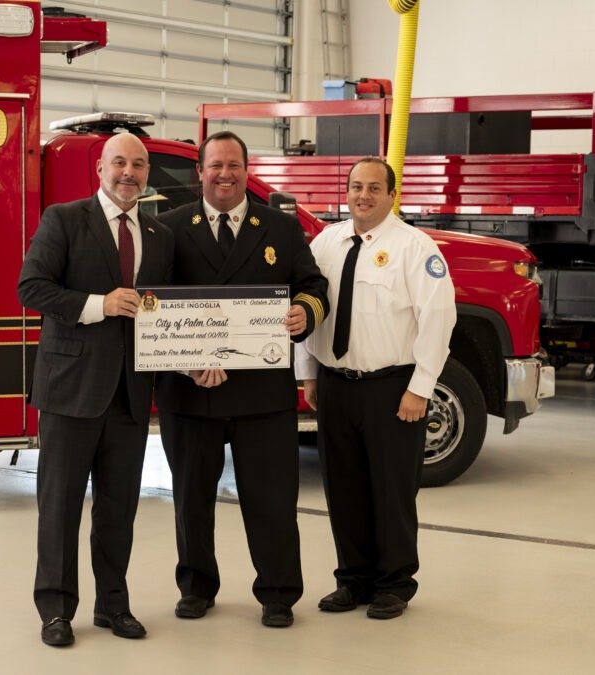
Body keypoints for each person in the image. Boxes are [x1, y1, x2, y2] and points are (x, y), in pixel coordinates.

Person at [155, 131, 329, 628]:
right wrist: (185, 359)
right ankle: (196, 586)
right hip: (190, 389)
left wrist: (304, 311)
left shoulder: (279, 227)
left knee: (272, 500)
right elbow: (156, 304)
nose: (225, 174)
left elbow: (313, 285)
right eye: (215, 166)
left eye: (234, 165)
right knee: (190, 498)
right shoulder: (166, 227)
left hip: (262, 394)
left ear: (246, 171)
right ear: (200, 173)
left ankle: (278, 592)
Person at [18, 133, 174, 647]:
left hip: (130, 395)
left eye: (139, 164)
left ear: (147, 172)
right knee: (59, 507)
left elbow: (170, 313)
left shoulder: (159, 232)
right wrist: (97, 304)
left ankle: (113, 604)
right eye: (119, 163)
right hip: (70, 391)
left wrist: (200, 357)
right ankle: (56, 610)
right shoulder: (64, 219)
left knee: (118, 509)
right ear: (101, 169)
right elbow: (32, 287)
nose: (129, 172)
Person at [295, 157, 456, 620]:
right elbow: (308, 309)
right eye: (355, 186)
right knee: (343, 489)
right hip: (335, 386)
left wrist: (421, 389)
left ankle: (394, 583)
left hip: (393, 390)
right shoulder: (326, 242)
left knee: (391, 490)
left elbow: (438, 321)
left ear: (392, 195)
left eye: (373, 188)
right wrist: (308, 373)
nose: (363, 195)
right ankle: (353, 579)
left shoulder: (414, 248)